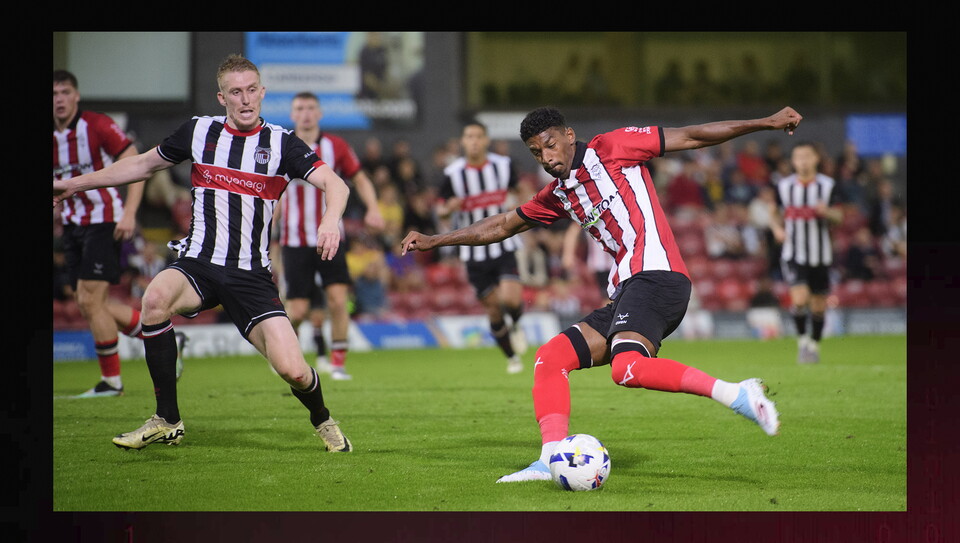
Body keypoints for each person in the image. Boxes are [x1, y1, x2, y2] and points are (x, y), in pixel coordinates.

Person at [402, 106, 801, 482]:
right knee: (551, 357)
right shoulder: (558, 195)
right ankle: (550, 457)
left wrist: (765, 122)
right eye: (536, 151)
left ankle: (737, 394)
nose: (546, 156)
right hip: (628, 286)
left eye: (551, 144)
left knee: (627, 368)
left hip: (658, 274)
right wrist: (435, 240)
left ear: (569, 135)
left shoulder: (614, 147)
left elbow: (692, 136)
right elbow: (501, 225)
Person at [53, 54, 353, 453]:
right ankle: (167, 419)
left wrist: (330, 220)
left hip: (250, 275)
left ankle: (323, 419)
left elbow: (337, 185)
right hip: (198, 262)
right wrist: (76, 184)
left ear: (262, 93)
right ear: (221, 97)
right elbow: (141, 165)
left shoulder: (282, 143)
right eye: (235, 92)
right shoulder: (199, 132)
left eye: (251, 90)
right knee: (155, 299)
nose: (245, 100)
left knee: (294, 371)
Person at [53, 69, 173, 397]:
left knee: (91, 301)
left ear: (76, 96)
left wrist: (130, 212)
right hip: (74, 225)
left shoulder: (97, 125)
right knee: (89, 301)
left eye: (64, 92)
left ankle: (112, 382)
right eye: (53, 94)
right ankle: (162, 337)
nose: (59, 99)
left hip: (105, 220)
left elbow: (136, 165)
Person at [276, 91, 384, 381]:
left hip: (331, 236)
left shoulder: (335, 146)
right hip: (294, 240)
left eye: (311, 108)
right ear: (292, 114)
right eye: (300, 108)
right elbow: (271, 191)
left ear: (320, 113)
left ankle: (337, 364)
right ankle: (286, 357)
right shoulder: (280, 144)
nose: (306, 113)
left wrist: (373, 208)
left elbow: (359, 178)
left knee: (337, 300)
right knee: (296, 310)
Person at [436, 120, 527, 374]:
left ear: (486, 140)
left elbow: (520, 190)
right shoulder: (453, 173)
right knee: (493, 307)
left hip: (504, 242)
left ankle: (517, 324)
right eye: (469, 136)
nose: (474, 141)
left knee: (510, 298)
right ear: (463, 141)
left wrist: (522, 207)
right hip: (472, 250)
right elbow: (441, 210)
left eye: (478, 136)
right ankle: (512, 357)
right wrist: (448, 208)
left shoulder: (503, 165)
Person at [770, 141, 843, 364]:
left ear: (815, 159)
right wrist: (777, 229)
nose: (802, 161)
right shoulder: (783, 186)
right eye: (798, 157)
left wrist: (827, 212)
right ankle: (802, 342)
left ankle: (814, 345)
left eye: (806, 156)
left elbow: (839, 217)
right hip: (794, 253)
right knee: (800, 299)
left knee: (819, 306)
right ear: (793, 161)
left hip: (821, 255)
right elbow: (774, 212)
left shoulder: (828, 186)